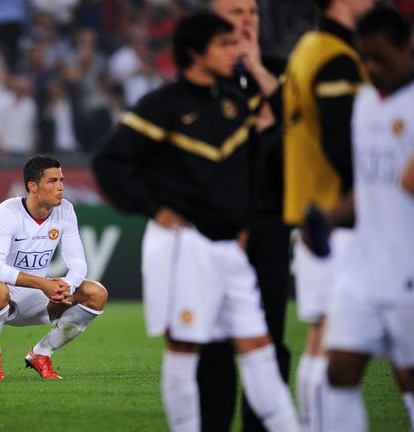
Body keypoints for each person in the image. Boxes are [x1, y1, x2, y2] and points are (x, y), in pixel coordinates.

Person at [92, 12, 299, 431]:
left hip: (231, 248)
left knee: (260, 348)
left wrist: (242, 222)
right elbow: (109, 164)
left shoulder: (235, 103)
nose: (232, 51)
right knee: (186, 349)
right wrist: (155, 209)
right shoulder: (162, 104)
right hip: (184, 245)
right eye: (223, 44)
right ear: (195, 53)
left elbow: (256, 163)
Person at [199, 1, 291, 430]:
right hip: (215, 229)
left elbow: (312, 130)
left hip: (269, 222)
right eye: (236, 11)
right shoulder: (200, 81)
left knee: (269, 340)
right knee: (214, 344)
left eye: (252, 10)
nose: (248, 18)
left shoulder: (281, 72)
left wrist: (258, 71)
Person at [281, 1, 373, 429]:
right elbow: (342, 142)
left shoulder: (307, 48)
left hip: (310, 211)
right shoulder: (337, 56)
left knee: (322, 334)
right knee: (337, 337)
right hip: (339, 215)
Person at [321, 7, 414, 430]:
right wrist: (330, 217)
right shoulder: (364, 103)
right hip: (363, 265)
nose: (372, 68)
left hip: (407, 268)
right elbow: (372, 185)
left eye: (381, 58)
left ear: (406, 49)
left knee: (408, 377)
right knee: (339, 370)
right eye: (365, 59)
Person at [0, 154, 107, 381]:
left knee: (96, 293)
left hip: (37, 297)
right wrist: (42, 283)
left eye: (61, 180)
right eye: (52, 181)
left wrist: (68, 286)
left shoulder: (65, 210)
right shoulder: (7, 212)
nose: (61, 187)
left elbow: (78, 264)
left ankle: (41, 353)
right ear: (32, 186)